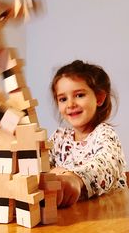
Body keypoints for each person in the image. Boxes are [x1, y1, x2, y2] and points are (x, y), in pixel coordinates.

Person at [49, 59, 127, 208]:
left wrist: (75, 178)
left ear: (99, 98)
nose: (70, 104)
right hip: (73, 213)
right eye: (63, 99)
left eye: (79, 95)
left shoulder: (105, 134)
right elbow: (40, 165)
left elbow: (105, 166)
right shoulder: (59, 138)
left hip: (109, 215)